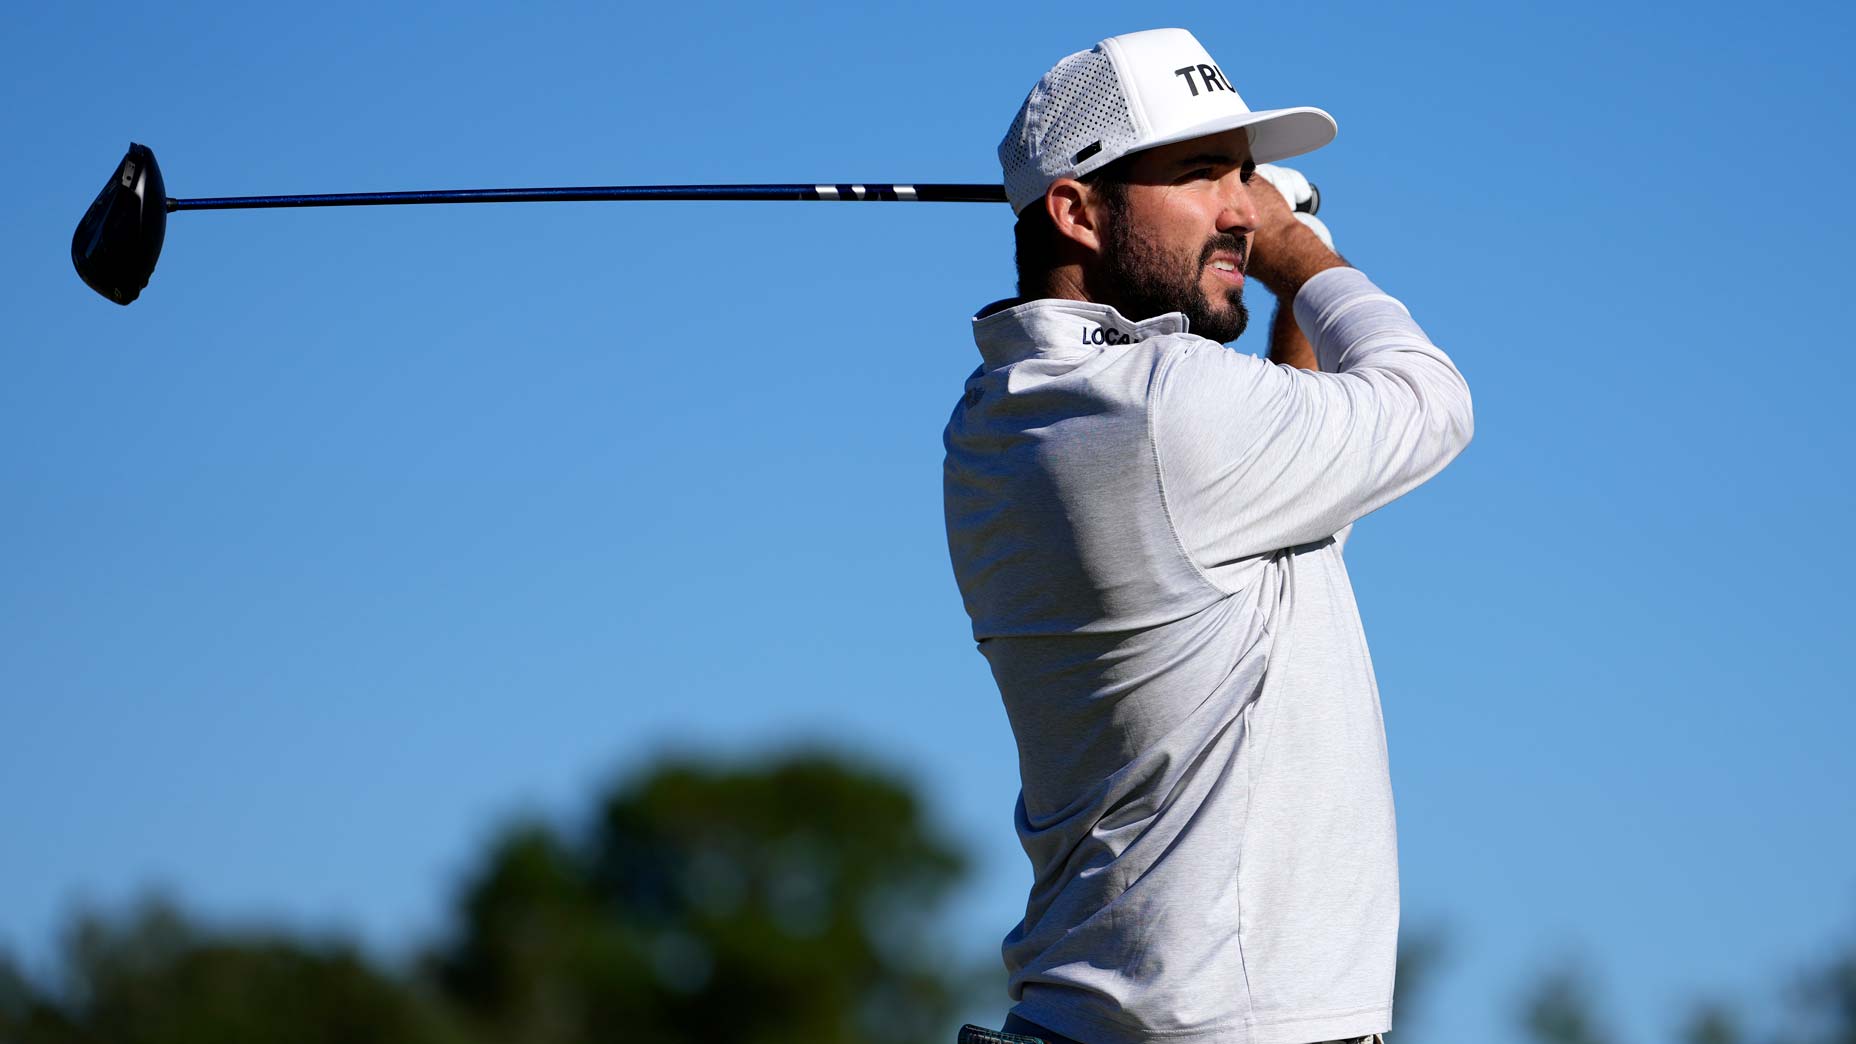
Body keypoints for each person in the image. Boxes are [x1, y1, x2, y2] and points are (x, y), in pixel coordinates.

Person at [942, 28, 1475, 1044]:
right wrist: (1300, 253)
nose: (1238, 210)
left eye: (1243, 177)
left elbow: (1294, 473)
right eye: (1198, 176)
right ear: (1074, 209)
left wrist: (1260, 267)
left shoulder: (1011, 412)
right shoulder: (1157, 412)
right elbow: (1427, 401)